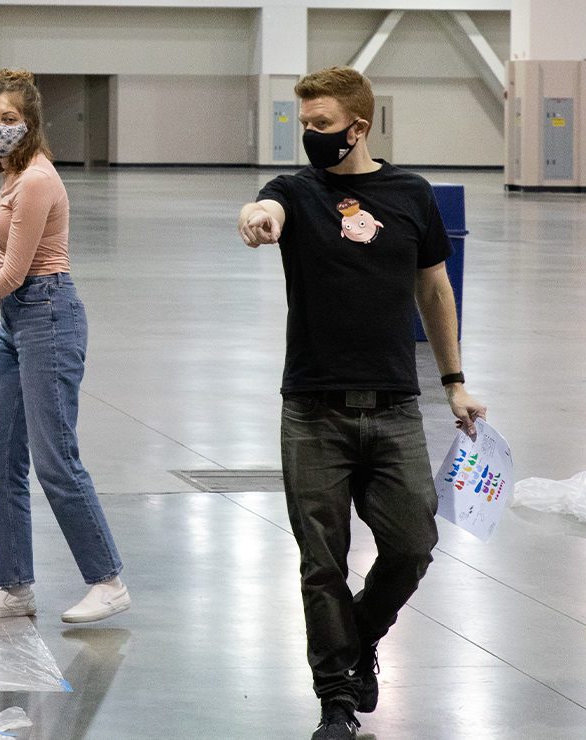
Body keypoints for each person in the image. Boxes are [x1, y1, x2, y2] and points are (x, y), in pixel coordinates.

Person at [237, 67, 486, 740]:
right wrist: (258, 218)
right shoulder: (296, 190)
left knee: (412, 545)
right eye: (304, 125)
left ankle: (360, 638)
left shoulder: (411, 195)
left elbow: (433, 290)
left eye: (322, 125)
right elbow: (267, 207)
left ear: (360, 127)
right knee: (322, 562)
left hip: (396, 406)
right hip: (313, 408)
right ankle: (336, 705)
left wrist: (453, 380)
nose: (311, 136)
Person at [0, 69, 129, 624]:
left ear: (30, 123)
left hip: (49, 316)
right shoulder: (10, 177)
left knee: (54, 459)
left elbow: (15, 273)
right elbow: (10, 248)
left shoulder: (36, 179)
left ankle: (107, 581)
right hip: (19, 320)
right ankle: (16, 588)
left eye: (9, 119)